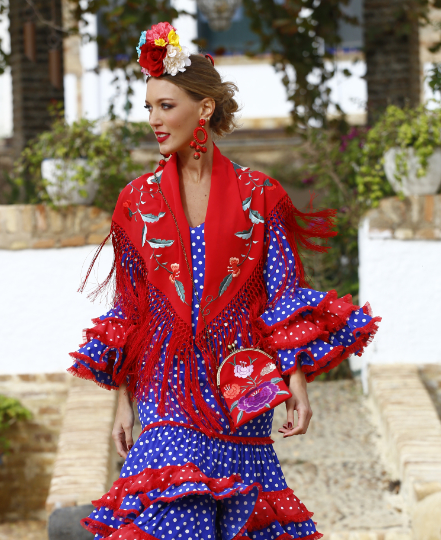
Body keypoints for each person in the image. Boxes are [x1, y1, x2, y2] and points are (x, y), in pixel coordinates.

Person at [68, 22, 380, 540]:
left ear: (204, 109)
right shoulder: (136, 201)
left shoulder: (261, 195)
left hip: (241, 384)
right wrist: (123, 398)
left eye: (165, 106)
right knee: (172, 514)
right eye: (149, 108)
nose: (154, 120)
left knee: (242, 521)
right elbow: (130, 308)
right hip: (165, 384)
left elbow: (281, 293)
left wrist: (295, 381)